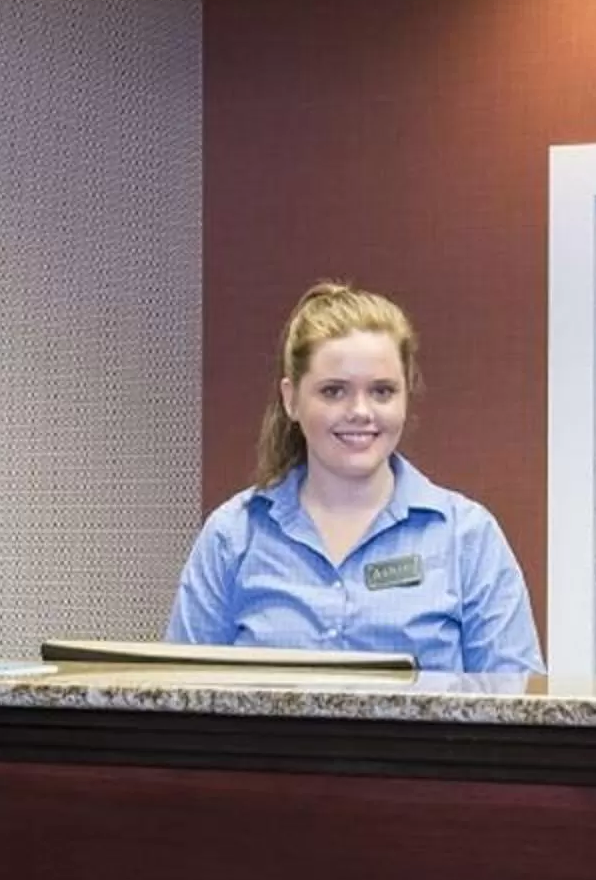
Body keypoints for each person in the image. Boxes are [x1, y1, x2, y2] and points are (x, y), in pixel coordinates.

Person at [168, 281, 543, 674]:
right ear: (291, 399)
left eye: (382, 392)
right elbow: (177, 703)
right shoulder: (233, 535)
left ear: (405, 397)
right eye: (333, 392)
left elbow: (518, 707)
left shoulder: (467, 537)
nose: (361, 411)